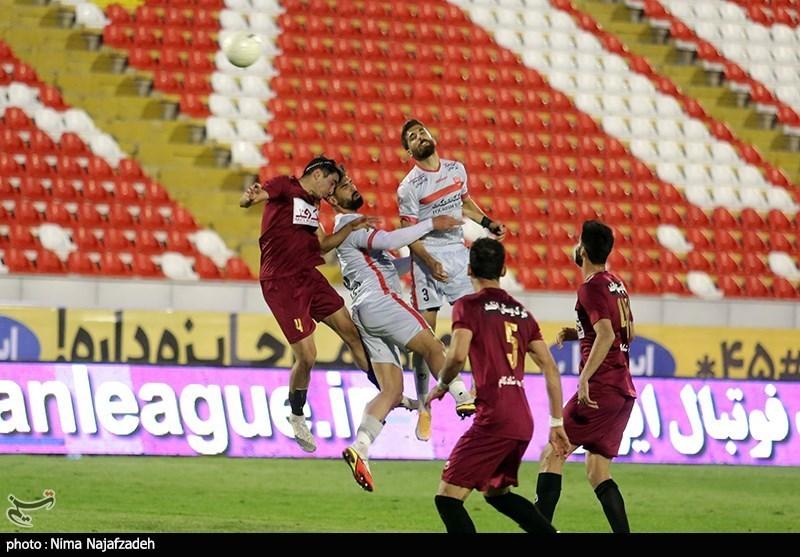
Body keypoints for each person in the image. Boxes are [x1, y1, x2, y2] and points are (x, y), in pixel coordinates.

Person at [326, 171, 476, 492]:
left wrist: (426, 262)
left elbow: (388, 264)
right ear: (331, 198)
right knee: (433, 347)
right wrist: (431, 224)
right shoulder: (349, 224)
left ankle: (361, 446)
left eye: (352, 182)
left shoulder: (347, 235)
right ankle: (463, 396)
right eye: (344, 185)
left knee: (391, 391)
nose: (353, 186)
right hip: (381, 301)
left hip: (364, 311)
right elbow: (393, 240)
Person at [426, 238, 570, 533]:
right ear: (503, 270)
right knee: (497, 495)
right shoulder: (522, 313)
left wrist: (442, 384)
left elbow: (456, 356)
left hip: (494, 419)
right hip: (521, 421)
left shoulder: (468, 306)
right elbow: (550, 368)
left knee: (448, 499)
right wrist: (557, 421)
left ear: (468, 270)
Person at [239, 156, 376, 454]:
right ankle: (297, 416)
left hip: (309, 277)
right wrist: (249, 198)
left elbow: (324, 245)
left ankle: (385, 389)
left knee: (350, 331)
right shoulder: (284, 186)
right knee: (308, 356)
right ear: (316, 174)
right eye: (330, 183)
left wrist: (352, 228)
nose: (331, 191)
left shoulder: (313, 207)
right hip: (281, 282)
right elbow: (257, 196)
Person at [398, 119, 507, 441]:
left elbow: (463, 203)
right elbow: (408, 234)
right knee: (424, 340)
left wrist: (488, 222)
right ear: (409, 152)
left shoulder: (456, 169)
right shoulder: (409, 187)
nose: (420, 138)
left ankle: (475, 392)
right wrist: (429, 262)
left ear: (432, 137)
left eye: (422, 132)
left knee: (474, 325)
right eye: (412, 138)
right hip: (426, 258)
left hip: (458, 255)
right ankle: (423, 407)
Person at [534, 220, 636, 533]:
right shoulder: (615, 283)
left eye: (578, 241)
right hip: (622, 392)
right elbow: (627, 333)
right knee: (597, 470)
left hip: (600, 388)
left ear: (584, 249)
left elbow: (606, 335)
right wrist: (579, 333)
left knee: (553, 451)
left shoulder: (590, 287)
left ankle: (541, 531)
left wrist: (584, 378)